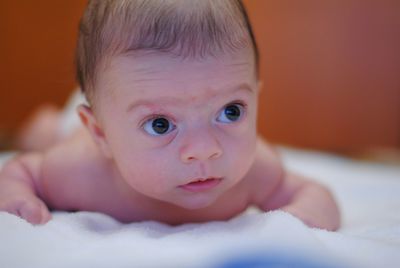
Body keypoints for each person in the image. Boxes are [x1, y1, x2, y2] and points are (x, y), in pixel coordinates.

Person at [0, 0, 340, 230]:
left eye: (230, 111)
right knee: (45, 134)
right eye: (160, 124)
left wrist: (302, 218)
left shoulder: (256, 171)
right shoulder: (79, 172)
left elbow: (314, 194)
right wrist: (17, 193)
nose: (205, 149)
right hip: (73, 126)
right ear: (101, 134)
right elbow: (21, 171)